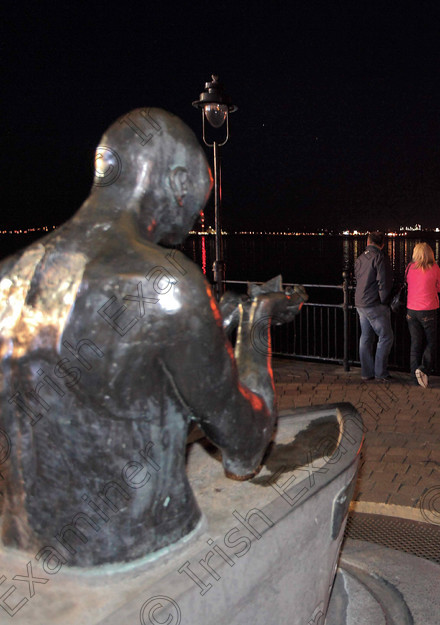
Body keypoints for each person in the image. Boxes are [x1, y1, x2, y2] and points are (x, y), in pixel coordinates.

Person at [0, 108, 301, 566]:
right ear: (179, 183)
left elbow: (96, 364)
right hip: (134, 542)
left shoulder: (9, 276)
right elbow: (245, 444)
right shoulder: (169, 281)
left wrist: (214, 320)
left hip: (25, 537)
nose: (191, 222)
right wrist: (258, 319)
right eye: (197, 203)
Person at [405, 242, 440, 388]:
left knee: (415, 343)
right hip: (428, 311)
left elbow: (408, 283)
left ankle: (413, 376)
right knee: (431, 342)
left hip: (411, 311)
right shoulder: (434, 268)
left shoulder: (409, 267)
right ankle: (423, 369)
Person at [354, 232, 394, 380]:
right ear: (382, 244)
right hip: (374, 304)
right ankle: (380, 373)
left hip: (360, 303)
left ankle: (366, 373)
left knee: (365, 337)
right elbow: (383, 282)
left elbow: (358, 279)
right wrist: (384, 301)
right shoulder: (379, 258)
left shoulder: (360, 258)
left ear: (368, 241)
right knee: (386, 336)